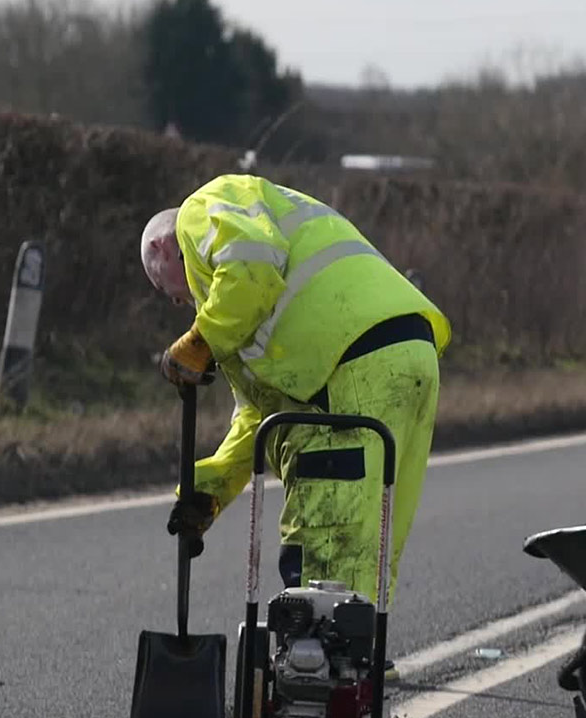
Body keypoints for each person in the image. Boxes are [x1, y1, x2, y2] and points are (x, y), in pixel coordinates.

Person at [141, 173, 452, 617]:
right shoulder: (237, 318)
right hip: (410, 355)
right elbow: (260, 417)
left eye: (163, 289)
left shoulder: (202, 210)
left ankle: (321, 665)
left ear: (160, 250)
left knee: (325, 524)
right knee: (373, 530)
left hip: (350, 360)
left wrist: (201, 340)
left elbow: (253, 272)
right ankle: (359, 661)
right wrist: (209, 490)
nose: (175, 303)